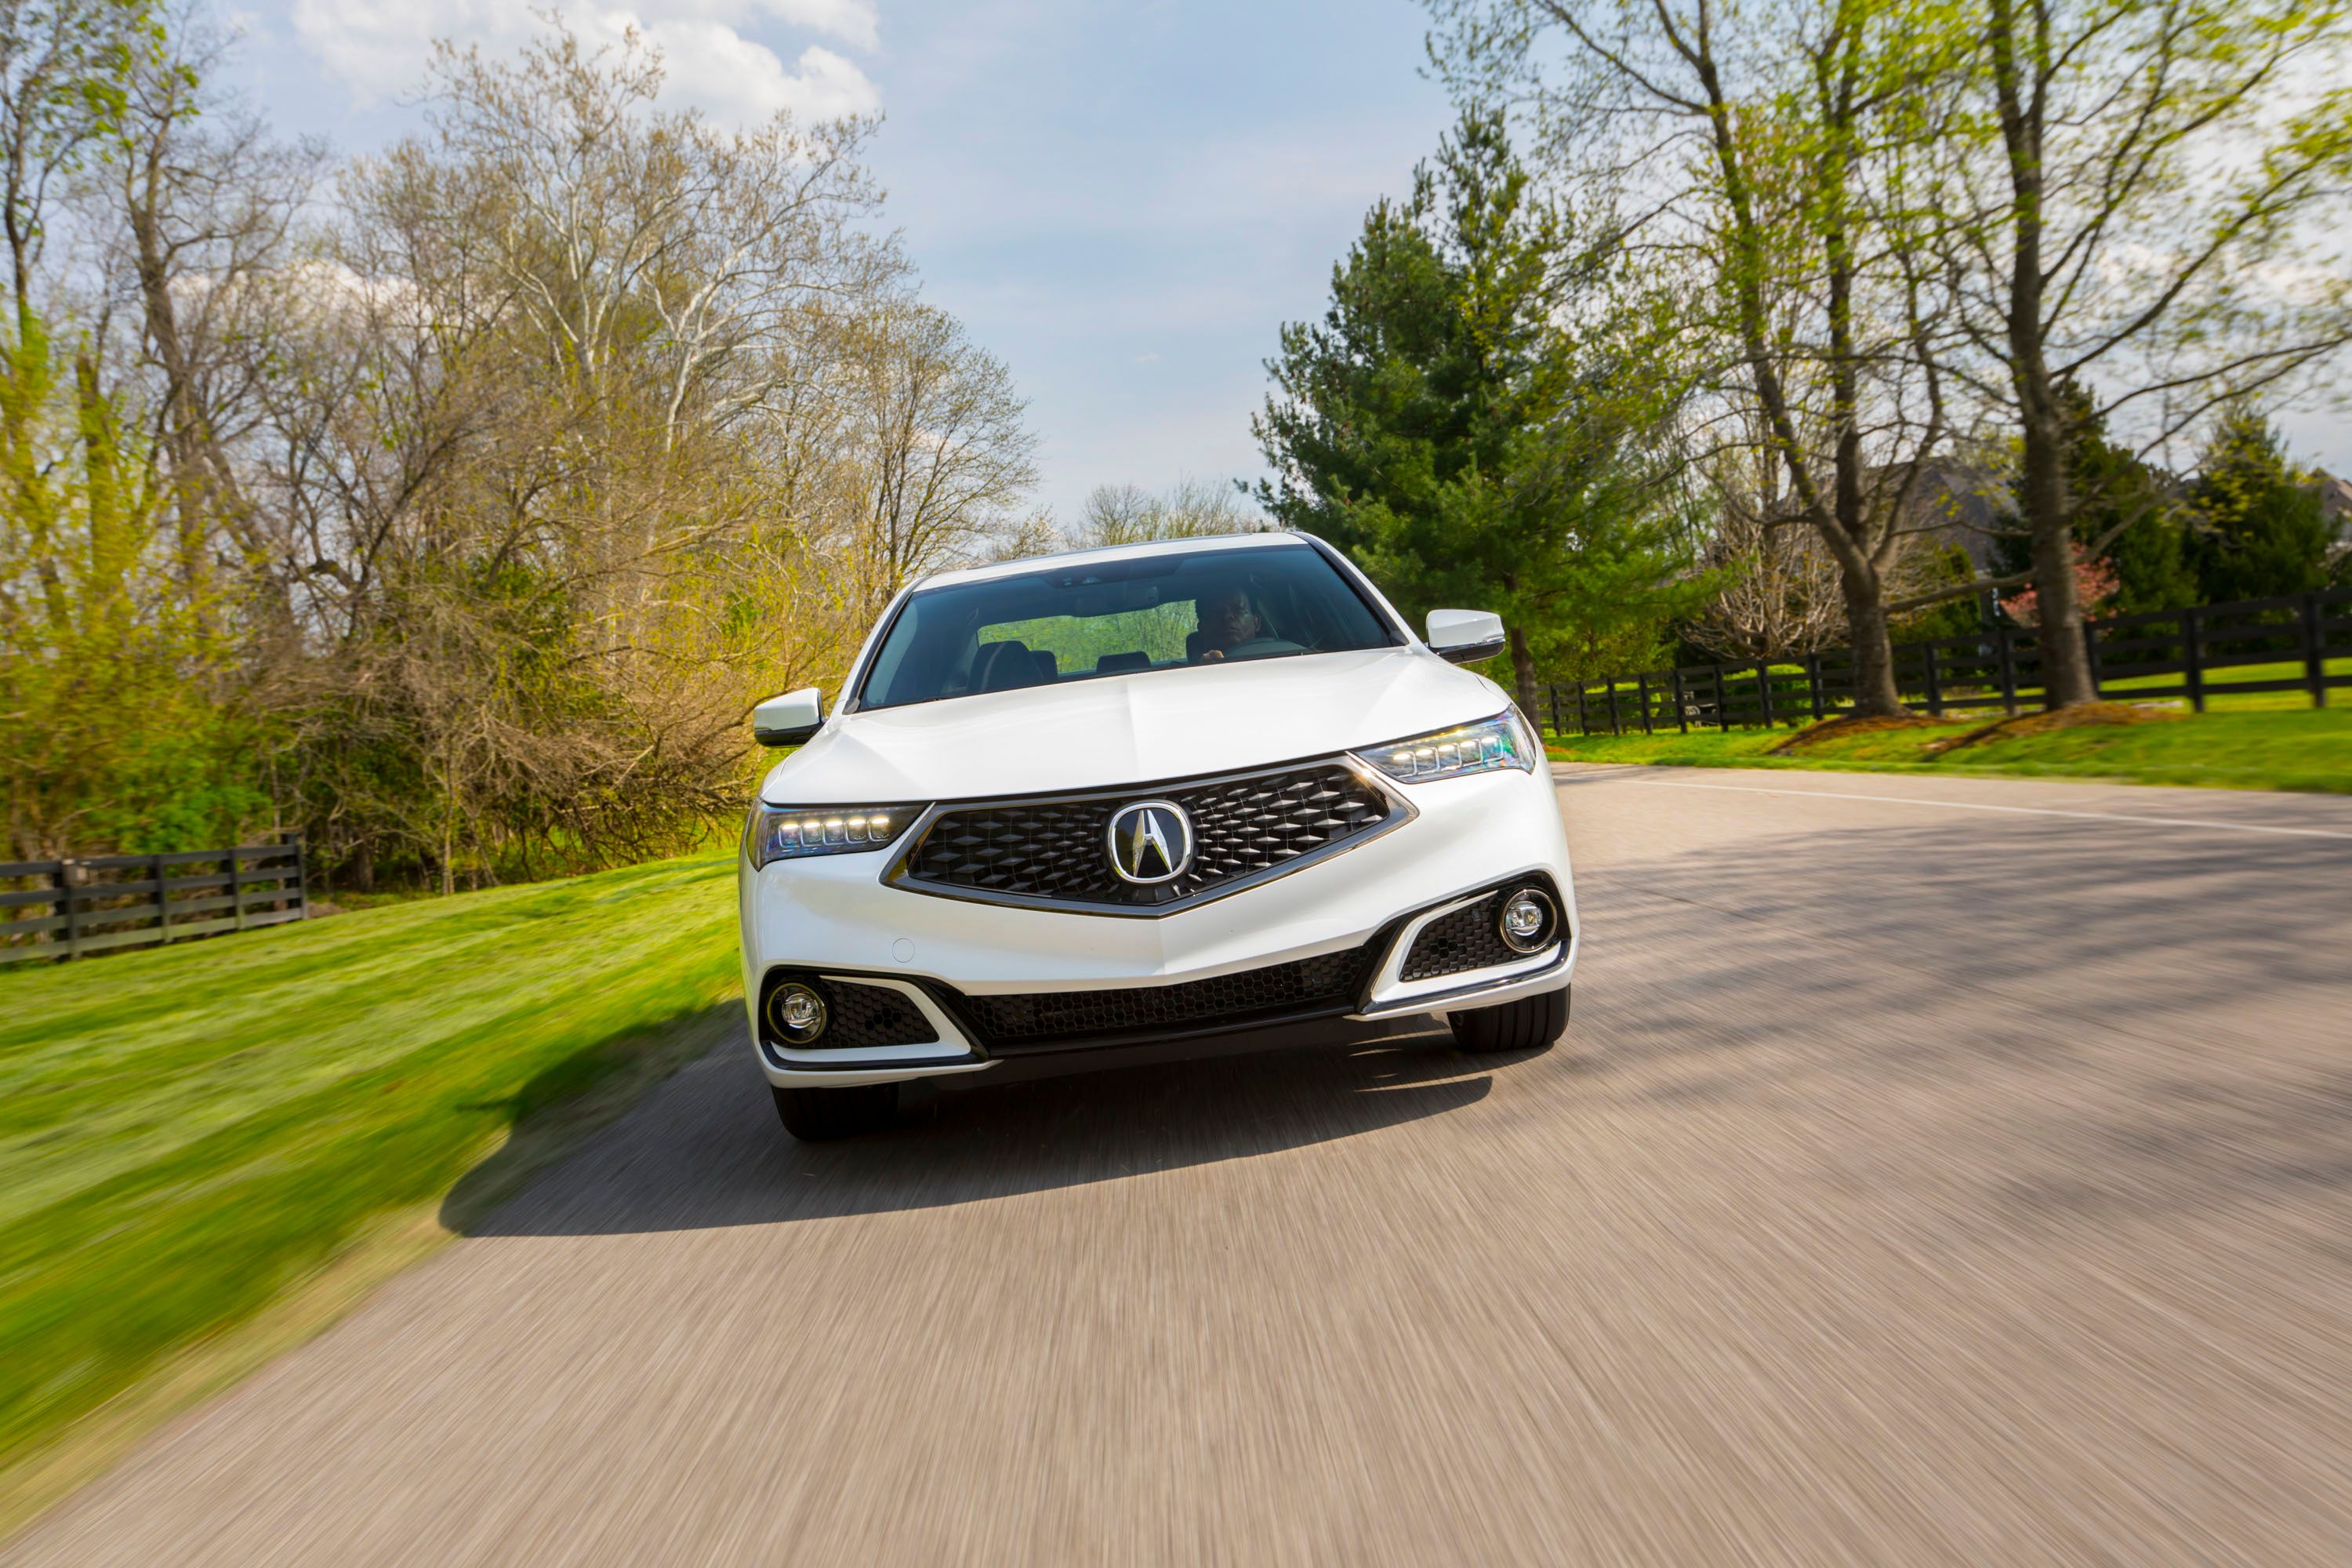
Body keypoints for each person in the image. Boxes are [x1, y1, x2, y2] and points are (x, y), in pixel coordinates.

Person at [1191, 584, 1265, 662]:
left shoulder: (1275, 664)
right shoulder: (1194, 673)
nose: (1227, 616)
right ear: (1202, 629)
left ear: (1256, 623)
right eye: (1216, 613)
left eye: (1238, 609)